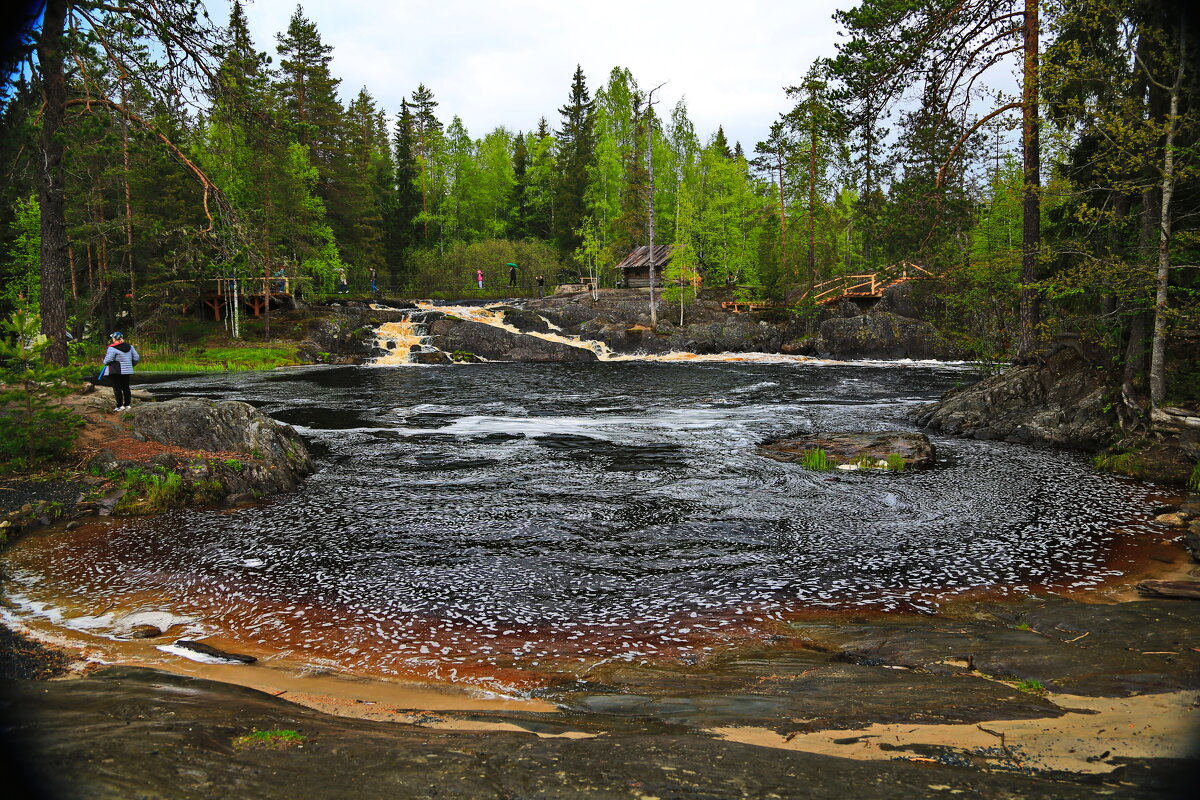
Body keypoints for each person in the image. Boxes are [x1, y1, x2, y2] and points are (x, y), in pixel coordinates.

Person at [103, 331, 140, 411]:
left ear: (114, 339)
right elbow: (136, 358)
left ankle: (120, 406)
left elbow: (108, 360)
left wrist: (105, 362)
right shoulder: (130, 347)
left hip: (116, 371)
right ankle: (127, 405)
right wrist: (130, 365)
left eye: (112, 337)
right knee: (126, 387)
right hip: (127, 371)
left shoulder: (112, 348)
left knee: (117, 388)